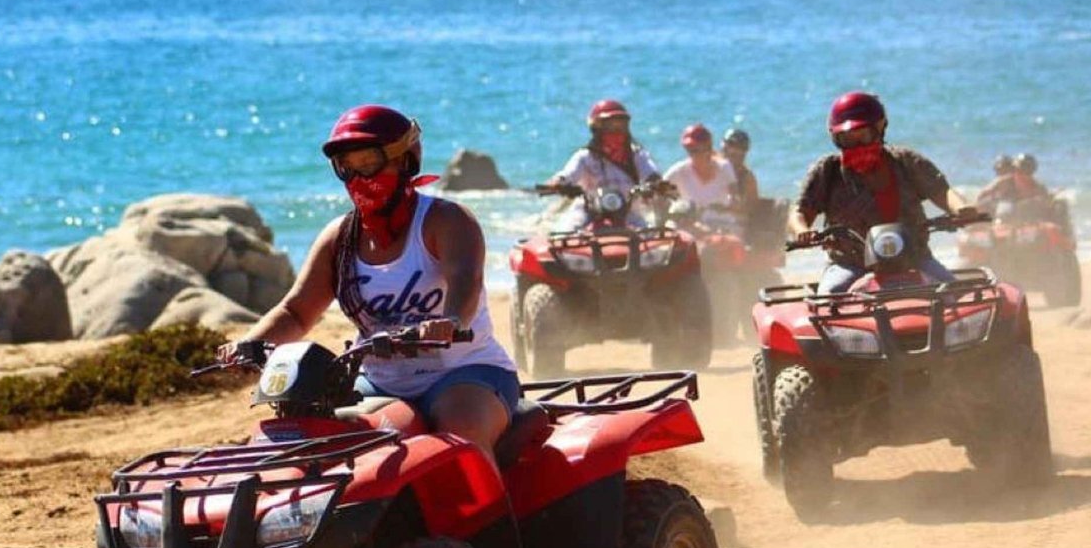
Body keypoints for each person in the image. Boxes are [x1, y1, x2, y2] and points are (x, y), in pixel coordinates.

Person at [218, 104, 518, 459]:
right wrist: (248, 345)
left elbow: (465, 279)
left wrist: (451, 322)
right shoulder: (339, 238)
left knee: (460, 437)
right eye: (348, 169)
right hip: (377, 383)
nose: (360, 180)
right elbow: (297, 312)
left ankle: (489, 517)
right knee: (321, 444)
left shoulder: (446, 221)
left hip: (465, 371)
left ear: (405, 160)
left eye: (370, 165)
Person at [788, 91, 976, 295]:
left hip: (914, 258)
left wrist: (961, 209)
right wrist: (802, 231)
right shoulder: (827, 171)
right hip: (852, 265)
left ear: (880, 129)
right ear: (835, 138)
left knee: (959, 296)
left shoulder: (906, 161)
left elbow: (942, 191)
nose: (857, 145)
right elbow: (799, 213)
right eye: (848, 139)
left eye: (864, 136)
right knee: (827, 301)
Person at [543, 99, 663, 229]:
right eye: (611, 127)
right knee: (563, 236)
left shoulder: (637, 155)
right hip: (587, 213)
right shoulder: (585, 156)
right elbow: (568, 174)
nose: (617, 132)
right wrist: (557, 183)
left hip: (628, 214)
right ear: (597, 129)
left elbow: (651, 173)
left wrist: (656, 184)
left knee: (652, 240)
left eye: (621, 126)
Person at [665, 123, 740, 228]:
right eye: (689, 150)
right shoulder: (679, 171)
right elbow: (658, 190)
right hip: (692, 227)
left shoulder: (724, 168)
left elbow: (736, 199)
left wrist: (725, 207)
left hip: (721, 225)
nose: (692, 154)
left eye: (695, 150)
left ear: (708, 148)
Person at [720, 128, 760, 209]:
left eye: (739, 147)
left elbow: (752, 210)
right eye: (731, 144)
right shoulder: (711, 168)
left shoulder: (746, 177)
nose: (734, 150)